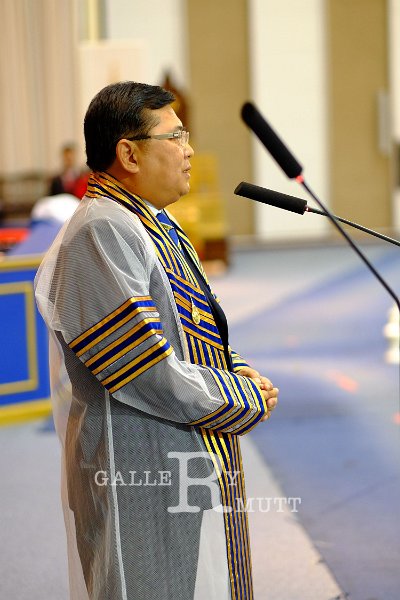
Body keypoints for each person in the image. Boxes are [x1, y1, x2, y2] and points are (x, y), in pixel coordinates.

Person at [35, 81, 279, 600]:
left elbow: (190, 326)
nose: (189, 150)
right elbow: (144, 368)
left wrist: (235, 368)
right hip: (133, 461)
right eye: (176, 136)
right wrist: (238, 396)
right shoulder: (102, 229)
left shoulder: (148, 220)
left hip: (169, 450)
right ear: (129, 153)